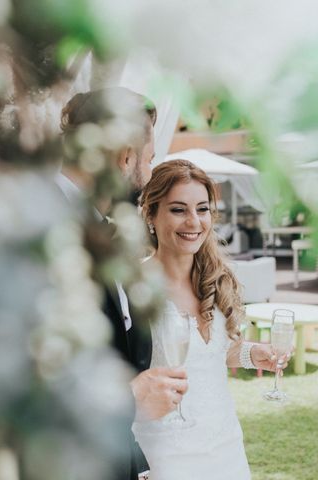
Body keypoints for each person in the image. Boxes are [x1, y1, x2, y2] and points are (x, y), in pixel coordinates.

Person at [58, 87, 188, 480]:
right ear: (124, 157)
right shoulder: (42, 231)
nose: (148, 175)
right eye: (148, 160)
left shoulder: (99, 229)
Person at [133, 159, 284, 480]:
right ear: (150, 214)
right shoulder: (134, 285)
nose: (194, 221)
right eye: (178, 210)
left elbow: (217, 353)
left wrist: (251, 353)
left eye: (202, 209)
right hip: (165, 452)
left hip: (226, 445)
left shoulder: (217, 278)